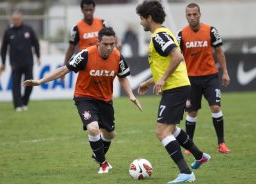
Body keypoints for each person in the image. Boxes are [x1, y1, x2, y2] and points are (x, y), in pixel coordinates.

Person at [23, 27, 142, 174]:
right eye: (106, 44)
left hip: (105, 100)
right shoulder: (85, 55)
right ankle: (103, 164)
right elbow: (63, 69)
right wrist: (41, 81)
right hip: (84, 97)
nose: (110, 47)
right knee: (93, 128)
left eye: (112, 44)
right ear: (98, 42)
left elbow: (122, 76)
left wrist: (130, 94)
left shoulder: (118, 56)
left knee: (110, 134)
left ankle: (97, 154)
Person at [136, 1, 210, 183]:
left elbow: (177, 56)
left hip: (175, 88)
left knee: (162, 131)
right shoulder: (164, 33)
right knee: (172, 129)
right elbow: (168, 64)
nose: (140, 23)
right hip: (177, 86)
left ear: (149, 18)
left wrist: (162, 80)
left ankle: (186, 172)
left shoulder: (159, 36)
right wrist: (148, 81)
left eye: (141, 18)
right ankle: (200, 156)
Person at [177, 3, 230, 154]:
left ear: (200, 14)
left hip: (210, 76)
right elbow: (176, 57)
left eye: (195, 14)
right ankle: (189, 145)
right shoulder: (181, 34)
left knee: (215, 107)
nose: (192, 17)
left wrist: (225, 72)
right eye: (189, 15)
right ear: (186, 16)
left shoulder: (211, 30)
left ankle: (221, 143)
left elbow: (219, 52)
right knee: (192, 112)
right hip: (191, 79)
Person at [62, 0, 121, 72]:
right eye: (86, 10)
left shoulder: (102, 23)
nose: (88, 12)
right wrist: (65, 65)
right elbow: (71, 48)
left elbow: (114, 36)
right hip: (86, 62)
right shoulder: (76, 27)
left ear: (94, 9)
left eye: (90, 10)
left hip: (102, 60)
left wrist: (118, 43)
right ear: (82, 10)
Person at [0, 10, 41, 112]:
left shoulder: (28, 29)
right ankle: (17, 105)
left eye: (17, 19)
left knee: (30, 84)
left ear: (21, 19)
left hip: (28, 62)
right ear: (12, 20)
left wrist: (38, 57)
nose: (16, 21)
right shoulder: (8, 31)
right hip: (15, 63)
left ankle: (24, 102)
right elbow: (4, 48)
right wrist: (3, 62)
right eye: (14, 20)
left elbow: (36, 43)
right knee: (16, 85)